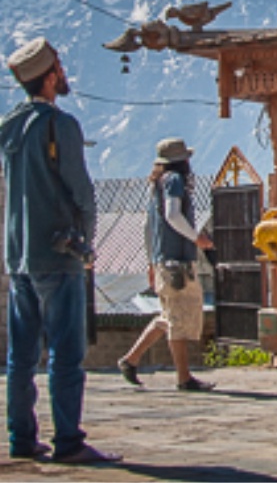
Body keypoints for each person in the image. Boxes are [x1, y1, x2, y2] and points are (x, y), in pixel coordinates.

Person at [1, 37, 121, 464]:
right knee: (66, 355)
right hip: (59, 254)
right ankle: (68, 441)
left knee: (22, 355)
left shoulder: (9, 127)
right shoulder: (60, 125)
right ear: (51, 76)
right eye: (61, 70)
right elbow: (81, 191)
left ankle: (21, 438)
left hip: (19, 257)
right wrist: (86, 243)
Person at [118, 137, 215, 391]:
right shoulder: (174, 182)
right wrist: (197, 238)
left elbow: (148, 227)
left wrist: (152, 261)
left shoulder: (156, 187)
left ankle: (131, 359)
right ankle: (183, 377)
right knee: (179, 318)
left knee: (169, 315)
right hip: (177, 261)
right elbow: (173, 215)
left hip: (162, 259)